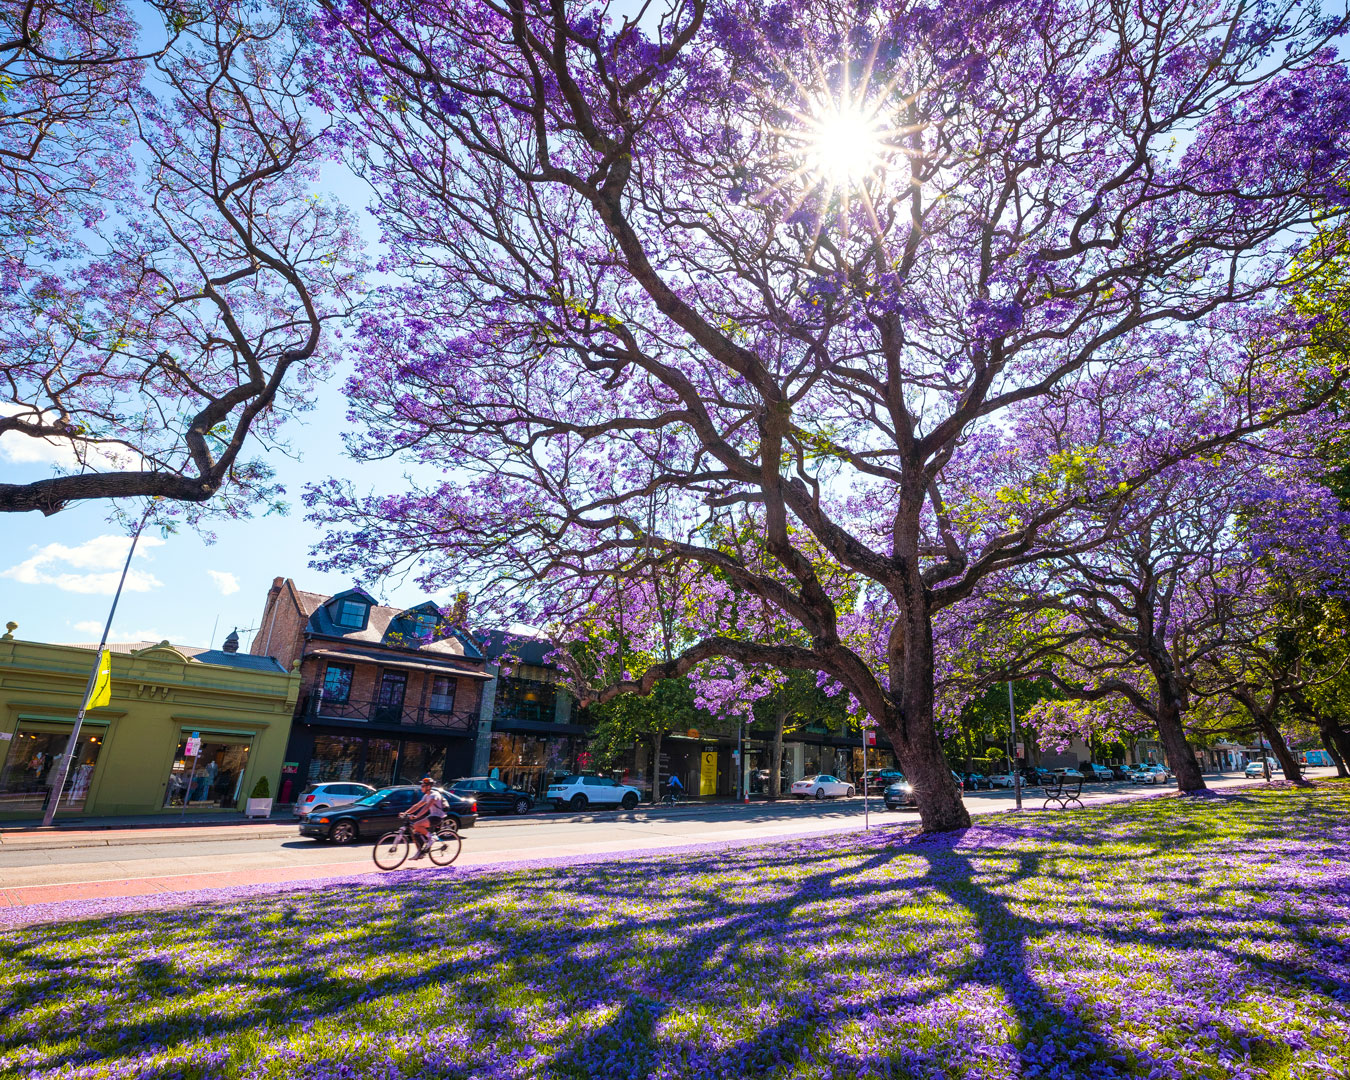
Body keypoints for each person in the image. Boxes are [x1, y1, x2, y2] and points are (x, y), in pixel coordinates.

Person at [403, 777, 447, 860]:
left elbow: (426, 808)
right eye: (421, 785)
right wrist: (406, 813)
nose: (421, 787)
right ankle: (420, 853)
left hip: (437, 817)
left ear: (428, 787)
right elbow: (417, 805)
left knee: (416, 825)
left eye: (423, 786)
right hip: (432, 816)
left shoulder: (434, 795)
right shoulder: (426, 795)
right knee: (415, 833)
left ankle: (431, 837)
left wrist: (416, 816)